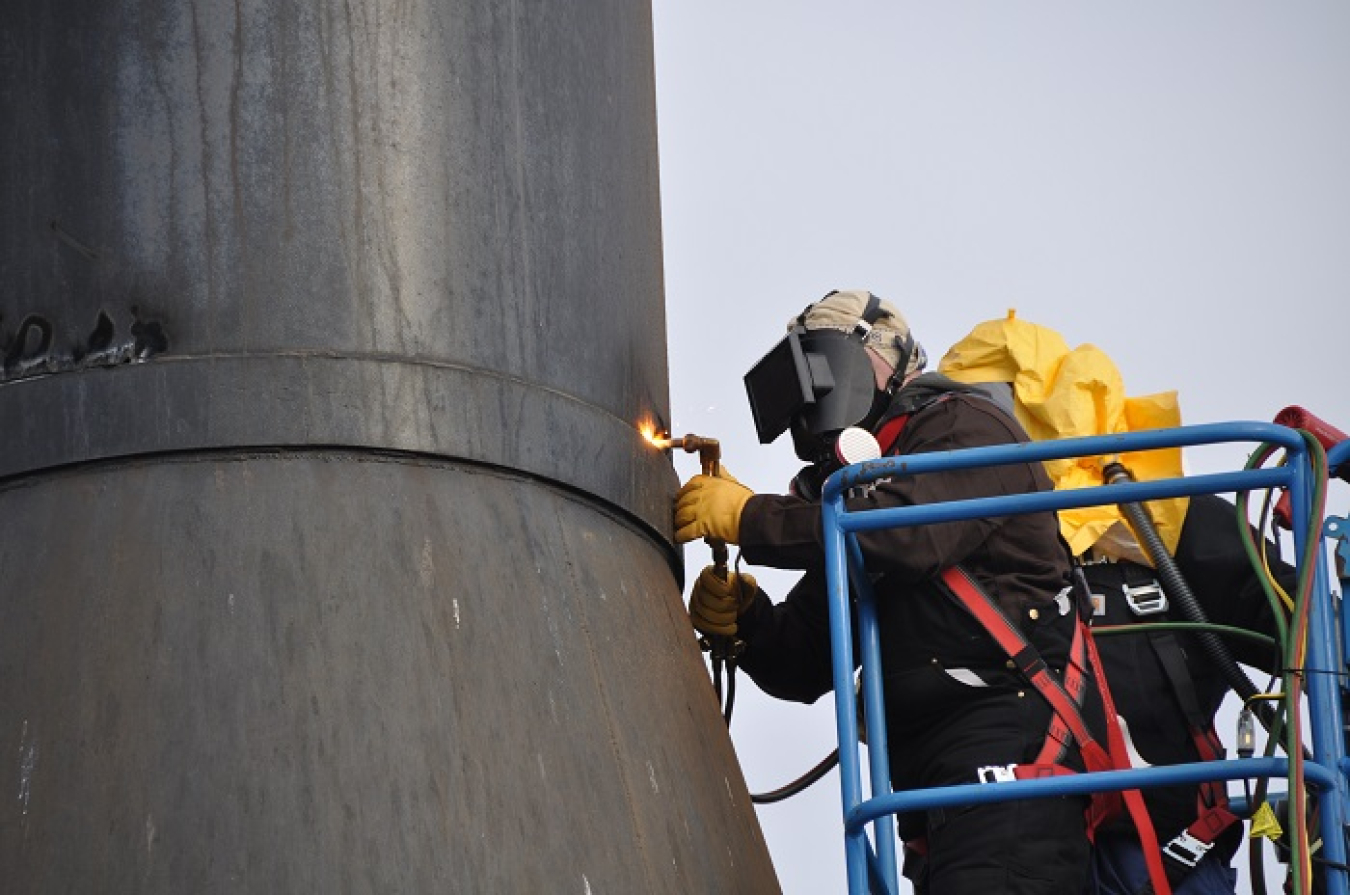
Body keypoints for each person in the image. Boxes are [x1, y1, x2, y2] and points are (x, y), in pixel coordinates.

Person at [674, 290, 1095, 894]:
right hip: (933, 790)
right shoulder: (859, 498)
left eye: (820, 363)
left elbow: (906, 534)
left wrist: (752, 521)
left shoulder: (965, 425)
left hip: (1011, 747)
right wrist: (749, 623)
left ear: (885, 353)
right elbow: (807, 658)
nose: (811, 397)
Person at [937, 313, 1293, 894]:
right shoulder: (940, 540)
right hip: (1003, 856)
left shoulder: (1169, 525)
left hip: (1170, 854)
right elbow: (810, 651)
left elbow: (1306, 636)